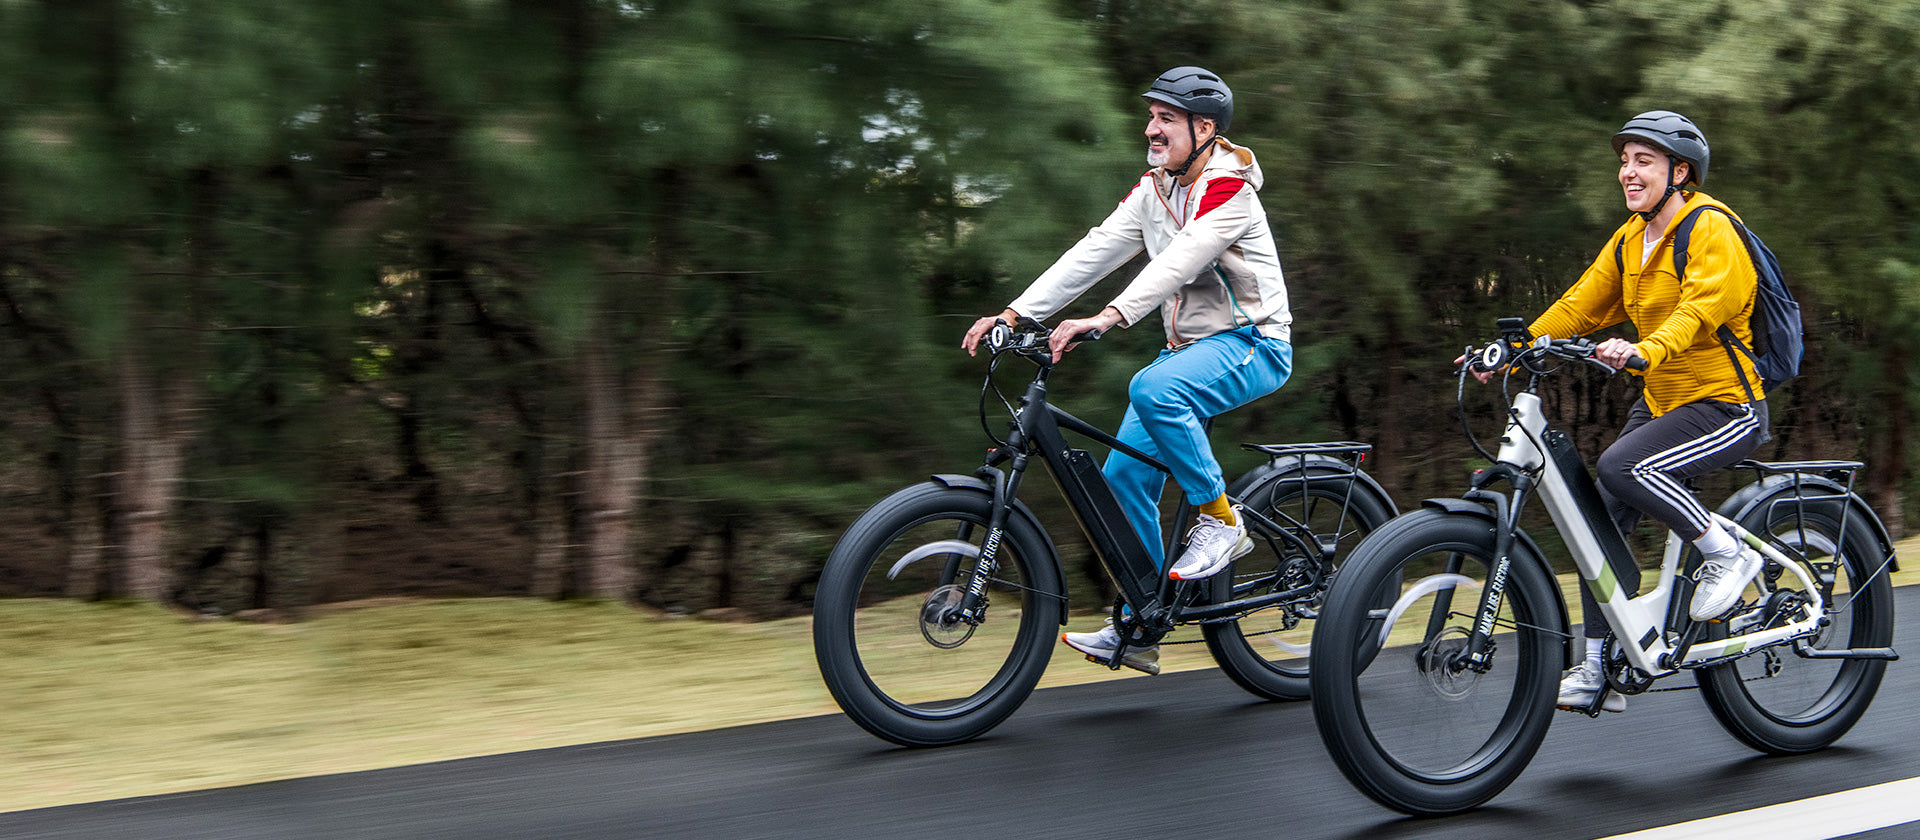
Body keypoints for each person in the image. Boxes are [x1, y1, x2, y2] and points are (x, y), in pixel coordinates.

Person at [961, 66, 1294, 675]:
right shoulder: (1155, 190)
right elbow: (1094, 251)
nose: (1151, 129)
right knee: (1122, 479)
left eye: (1166, 119)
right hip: (1187, 353)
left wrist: (1108, 316)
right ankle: (1145, 621)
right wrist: (1016, 312)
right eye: (1151, 117)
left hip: (1254, 343)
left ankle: (1222, 521)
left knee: (1152, 387)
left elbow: (1181, 260)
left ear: (1204, 129)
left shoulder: (1231, 189)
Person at [1468, 111, 1770, 712]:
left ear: (1679, 172)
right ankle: (1598, 668)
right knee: (1596, 523)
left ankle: (1728, 554)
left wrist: (1645, 349)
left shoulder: (1713, 228)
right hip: (1664, 402)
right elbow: (1581, 305)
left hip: (1727, 405)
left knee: (1622, 466)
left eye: (1644, 161)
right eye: (1625, 161)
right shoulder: (1632, 238)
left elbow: (1699, 311)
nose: (1628, 172)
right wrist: (1514, 345)